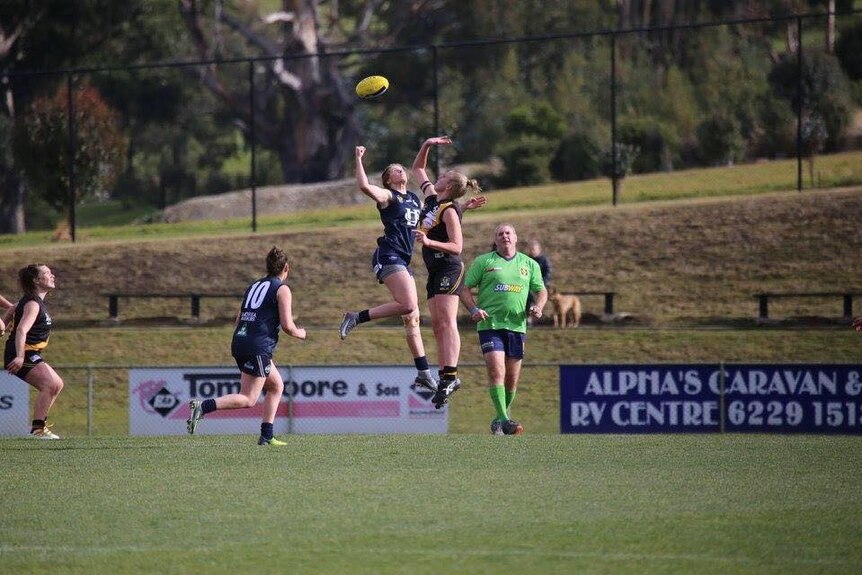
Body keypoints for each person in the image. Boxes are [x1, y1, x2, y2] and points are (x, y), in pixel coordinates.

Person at [338, 145, 439, 393]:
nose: (401, 171)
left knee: (412, 318)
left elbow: (434, 216)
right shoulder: (388, 197)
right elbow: (364, 187)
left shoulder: (414, 199)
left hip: (404, 260)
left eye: (401, 168)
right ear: (388, 179)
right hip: (389, 255)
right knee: (408, 305)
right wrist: (358, 159)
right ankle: (356, 317)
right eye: (395, 170)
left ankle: (424, 372)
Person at [187, 246, 306, 446]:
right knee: (249, 399)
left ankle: (266, 435)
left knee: (276, 386)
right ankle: (203, 407)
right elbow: (287, 326)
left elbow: (239, 318)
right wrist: (300, 333)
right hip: (257, 347)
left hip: (241, 341)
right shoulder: (282, 289)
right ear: (287, 268)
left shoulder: (254, 286)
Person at [411, 135, 486, 408]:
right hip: (434, 269)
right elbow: (417, 169)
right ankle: (446, 377)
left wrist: (428, 241)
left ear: (449, 185)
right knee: (438, 326)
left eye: (442, 176)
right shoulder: (432, 199)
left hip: (448, 267)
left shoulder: (450, 209)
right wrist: (428, 144)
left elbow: (456, 245)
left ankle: (451, 376)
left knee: (447, 322)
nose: (437, 176)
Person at [459, 224, 548, 435]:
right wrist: (473, 309)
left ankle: (500, 418)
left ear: (515, 238)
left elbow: (541, 290)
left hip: (517, 326)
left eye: (508, 233)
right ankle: (506, 421)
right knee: (496, 371)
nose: (504, 236)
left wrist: (538, 307)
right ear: (495, 240)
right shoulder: (484, 262)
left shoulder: (529, 264)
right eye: (500, 234)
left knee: (512, 379)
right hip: (490, 325)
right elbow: (464, 288)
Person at [3, 264, 65, 439]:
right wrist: (20, 356)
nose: (52, 275)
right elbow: (22, 330)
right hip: (22, 352)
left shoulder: (30, 301)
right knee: (50, 385)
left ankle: (38, 428)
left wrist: (4, 322)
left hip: (27, 352)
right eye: (47, 273)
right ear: (36, 280)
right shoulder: (33, 303)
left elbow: (14, 307)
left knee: (57, 384)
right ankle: (38, 430)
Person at [525, 239, 552, 324]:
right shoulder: (526, 259)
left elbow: (548, 272)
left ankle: (536, 310)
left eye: (534, 249)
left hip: (541, 283)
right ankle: (528, 314)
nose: (532, 251)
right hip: (528, 283)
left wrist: (541, 282)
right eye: (530, 249)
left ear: (538, 250)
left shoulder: (544, 260)